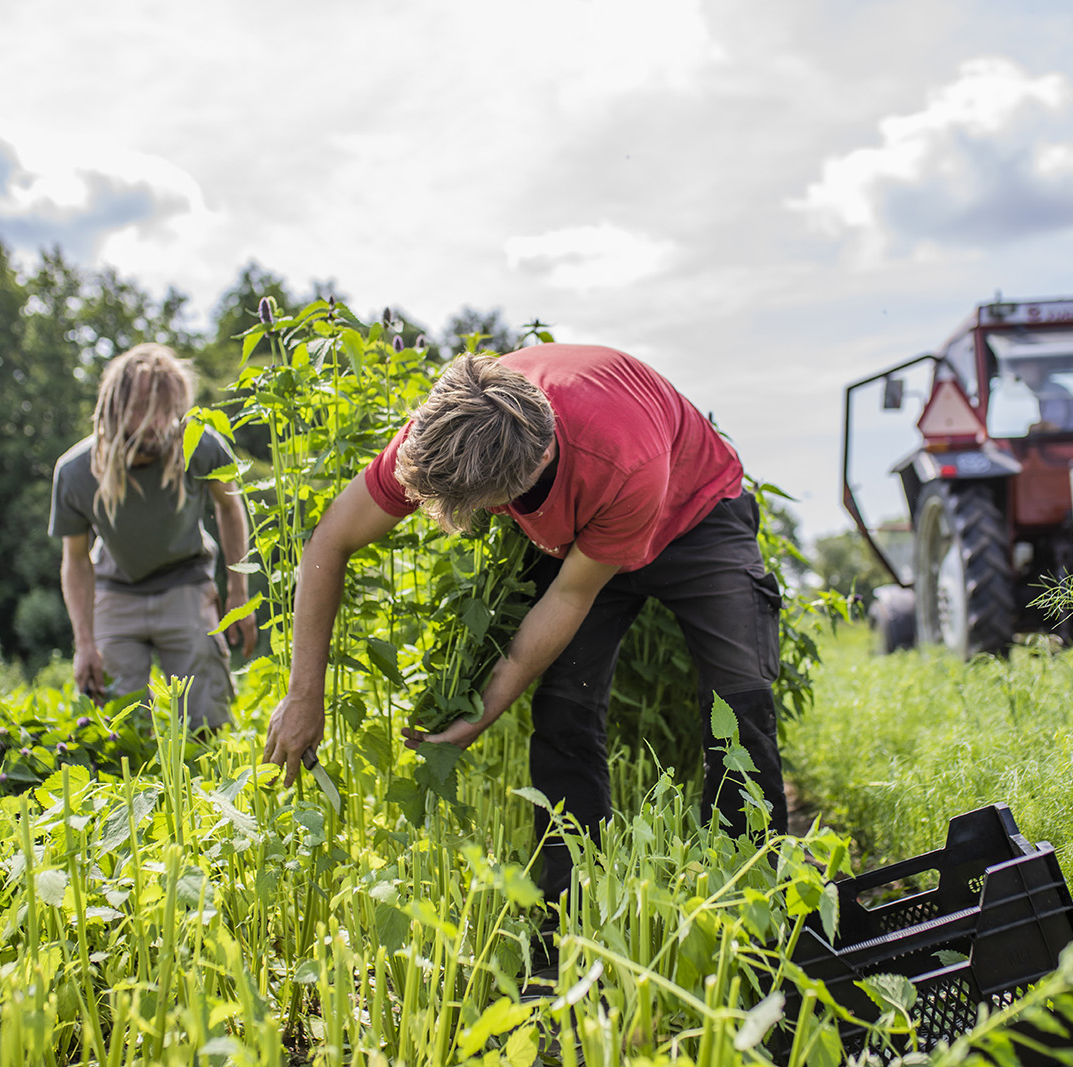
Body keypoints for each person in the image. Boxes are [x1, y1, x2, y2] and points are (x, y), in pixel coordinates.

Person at [262, 343, 787, 904]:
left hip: (696, 516)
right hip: (584, 531)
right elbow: (330, 541)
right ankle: (570, 907)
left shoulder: (620, 459)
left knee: (738, 706)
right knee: (565, 706)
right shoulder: (453, 426)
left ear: (535, 464)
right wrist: (304, 692)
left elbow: (570, 597)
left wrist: (480, 717)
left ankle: (752, 904)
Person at [48, 343, 257, 729]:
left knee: (207, 718)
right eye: (145, 408)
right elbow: (75, 560)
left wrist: (237, 592)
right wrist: (84, 643)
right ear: (115, 408)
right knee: (117, 726)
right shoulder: (75, 473)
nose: (160, 422)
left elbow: (230, 508)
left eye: (167, 409)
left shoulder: (200, 446)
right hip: (115, 594)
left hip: (187, 585)